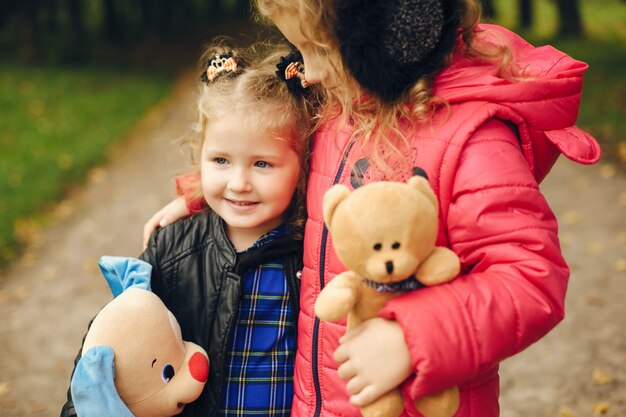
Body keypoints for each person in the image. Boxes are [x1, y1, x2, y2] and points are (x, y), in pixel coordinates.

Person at [143, 0, 602, 416]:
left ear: (386, 34)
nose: (310, 71)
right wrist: (204, 193)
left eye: (317, 48)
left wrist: (413, 337)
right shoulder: (339, 107)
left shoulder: (471, 137)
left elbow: (530, 277)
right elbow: (272, 162)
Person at [61, 41, 318, 417]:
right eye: (221, 160)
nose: (239, 182)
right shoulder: (173, 248)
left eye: (262, 164)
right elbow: (109, 342)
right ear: (199, 157)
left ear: (303, 166)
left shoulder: (311, 250)